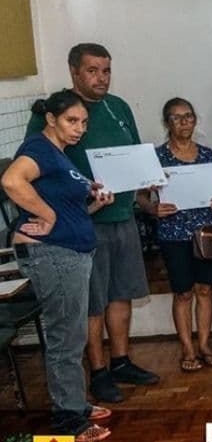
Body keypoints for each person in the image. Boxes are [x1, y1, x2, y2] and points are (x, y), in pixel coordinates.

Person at [26, 43, 159, 404]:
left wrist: (146, 187)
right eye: (92, 71)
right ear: (74, 72)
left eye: (106, 70)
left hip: (122, 215)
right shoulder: (55, 111)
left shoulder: (118, 107)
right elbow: (35, 169)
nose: (101, 78)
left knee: (121, 292)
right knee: (92, 302)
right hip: (83, 222)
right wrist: (63, 207)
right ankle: (97, 372)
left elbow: (134, 154)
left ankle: (120, 361)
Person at [3, 91, 115, 442]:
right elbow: (10, 181)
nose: (79, 128)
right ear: (51, 119)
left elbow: (72, 213)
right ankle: (70, 421)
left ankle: (75, 404)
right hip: (55, 255)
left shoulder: (61, 156)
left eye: (83, 122)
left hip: (71, 251)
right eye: (71, 121)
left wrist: (95, 203)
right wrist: (47, 214)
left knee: (71, 334)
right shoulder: (38, 149)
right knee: (65, 339)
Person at [138, 98, 212, 372]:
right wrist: (152, 208)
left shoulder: (207, 154)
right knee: (182, 293)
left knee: (205, 289)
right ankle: (187, 349)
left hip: (207, 230)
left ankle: (204, 344)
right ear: (167, 123)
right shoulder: (156, 157)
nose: (184, 123)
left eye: (188, 116)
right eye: (177, 118)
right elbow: (141, 196)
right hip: (173, 232)